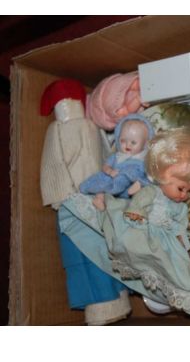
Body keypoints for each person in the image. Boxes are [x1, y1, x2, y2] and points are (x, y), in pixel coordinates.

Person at [39, 78, 131, 325]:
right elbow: (53, 165)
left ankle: (120, 296)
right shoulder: (57, 131)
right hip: (74, 201)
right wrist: (61, 197)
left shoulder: (92, 128)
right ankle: (101, 306)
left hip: (100, 195)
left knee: (108, 246)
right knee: (85, 252)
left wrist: (115, 181)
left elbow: (105, 153)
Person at [102, 126, 190, 315]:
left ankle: (185, 296)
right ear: (164, 175)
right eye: (181, 188)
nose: (184, 195)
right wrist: (136, 213)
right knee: (136, 247)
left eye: (188, 191)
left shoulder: (180, 207)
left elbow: (180, 225)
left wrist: (181, 239)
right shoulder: (152, 192)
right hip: (145, 230)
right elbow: (139, 203)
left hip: (167, 240)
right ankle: (163, 288)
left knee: (179, 264)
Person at [79, 114, 155, 210]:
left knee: (146, 186)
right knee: (101, 184)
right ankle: (99, 199)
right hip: (113, 180)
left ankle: (136, 201)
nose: (127, 145)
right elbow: (105, 166)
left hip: (130, 186)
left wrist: (140, 182)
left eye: (133, 142)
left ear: (145, 143)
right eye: (123, 141)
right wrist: (110, 171)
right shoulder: (116, 156)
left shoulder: (143, 160)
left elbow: (149, 175)